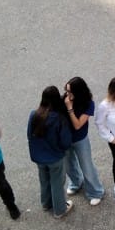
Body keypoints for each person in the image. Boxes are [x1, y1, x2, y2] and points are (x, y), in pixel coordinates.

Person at [27, 87, 73, 219]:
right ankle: (60, 209)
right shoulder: (58, 118)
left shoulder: (33, 115)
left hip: (39, 157)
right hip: (55, 157)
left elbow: (30, 135)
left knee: (44, 180)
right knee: (57, 183)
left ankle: (46, 203)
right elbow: (65, 141)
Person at [61, 78, 104, 207]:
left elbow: (78, 125)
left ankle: (96, 192)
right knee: (69, 165)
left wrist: (69, 108)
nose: (67, 94)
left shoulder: (88, 103)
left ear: (78, 91)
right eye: (66, 91)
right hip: (65, 139)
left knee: (87, 166)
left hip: (80, 139)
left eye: (70, 91)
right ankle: (76, 183)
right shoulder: (64, 98)